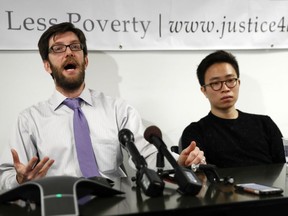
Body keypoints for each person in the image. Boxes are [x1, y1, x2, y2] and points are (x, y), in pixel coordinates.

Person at [0, 22, 205, 190]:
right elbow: (7, 175)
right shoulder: (29, 119)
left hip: (115, 198)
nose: (68, 53)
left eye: (75, 46)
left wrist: (179, 161)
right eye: (58, 49)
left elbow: (147, 154)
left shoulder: (117, 109)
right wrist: (19, 180)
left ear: (85, 60)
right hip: (61, 202)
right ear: (47, 65)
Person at [180, 50, 285, 168]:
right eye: (215, 83)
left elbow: (281, 171)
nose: (225, 88)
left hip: (269, 187)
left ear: (238, 83)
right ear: (204, 90)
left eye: (230, 80)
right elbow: (196, 174)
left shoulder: (265, 124)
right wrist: (187, 165)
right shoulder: (195, 132)